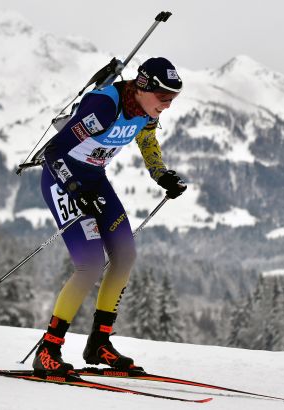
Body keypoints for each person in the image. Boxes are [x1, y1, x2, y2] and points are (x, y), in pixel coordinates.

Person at [34, 57, 187, 376]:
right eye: (163, 97)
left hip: (94, 179)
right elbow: (54, 152)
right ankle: (48, 349)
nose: (167, 105)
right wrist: (75, 189)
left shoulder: (146, 112)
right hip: (62, 180)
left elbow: (148, 141)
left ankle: (99, 343)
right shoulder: (104, 107)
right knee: (90, 265)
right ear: (143, 86)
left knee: (124, 256)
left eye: (173, 98)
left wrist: (162, 175)